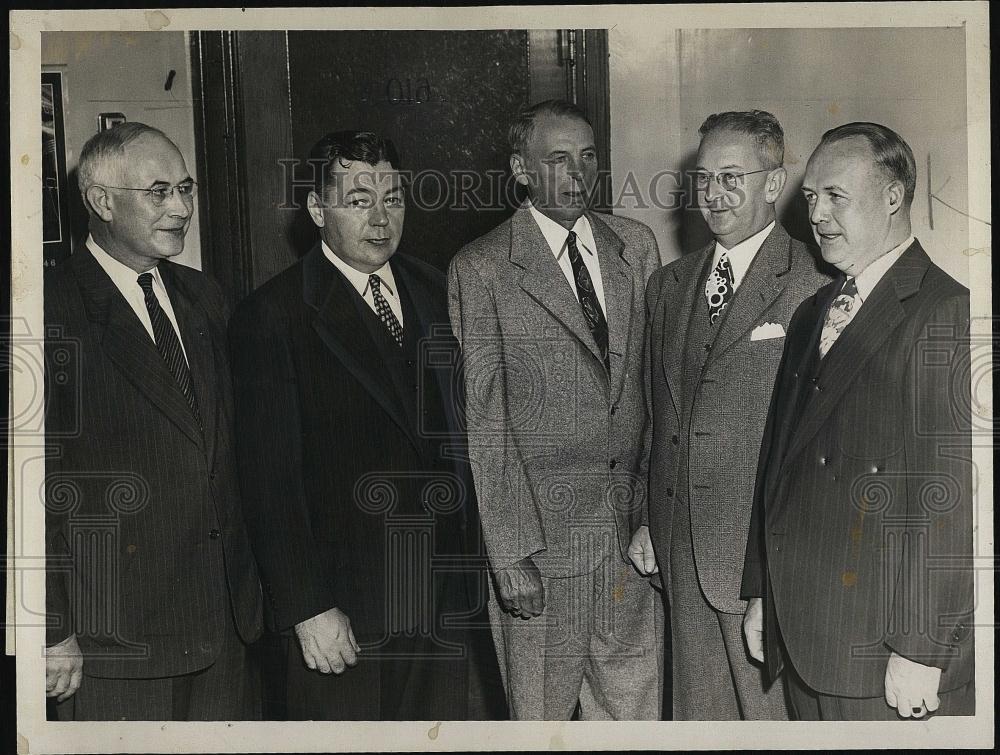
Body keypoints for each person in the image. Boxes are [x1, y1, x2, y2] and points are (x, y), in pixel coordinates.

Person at [229, 130, 506, 720]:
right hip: (343, 613)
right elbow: (267, 481)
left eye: (394, 199)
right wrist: (307, 608)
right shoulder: (272, 315)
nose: (381, 220)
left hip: (444, 600)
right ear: (315, 209)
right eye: (358, 201)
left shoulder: (438, 290)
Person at [741, 122, 975, 720]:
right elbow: (779, 466)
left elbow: (951, 500)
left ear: (894, 197)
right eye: (811, 197)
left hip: (884, 653)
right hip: (802, 635)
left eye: (835, 196)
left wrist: (922, 648)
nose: (817, 214)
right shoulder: (810, 313)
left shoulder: (947, 312)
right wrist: (764, 593)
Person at [448, 99, 663, 720]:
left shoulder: (636, 246)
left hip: (630, 544)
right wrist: (508, 554)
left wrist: (649, 515)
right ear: (521, 169)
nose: (577, 174)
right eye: (557, 159)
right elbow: (484, 425)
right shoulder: (482, 268)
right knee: (540, 720)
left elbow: (651, 395)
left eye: (588, 157)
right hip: (541, 549)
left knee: (634, 717)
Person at [44, 122, 264, 720]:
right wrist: (49, 627)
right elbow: (23, 483)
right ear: (101, 201)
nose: (182, 208)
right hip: (111, 642)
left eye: (186, 189)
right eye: (159, 191)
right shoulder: (45, 307)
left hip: (224, 629)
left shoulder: (207, 298)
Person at [639, 110, 832, 719]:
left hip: (758, 563)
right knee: (699, 721)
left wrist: (779, 570)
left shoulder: (814, 281)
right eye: (704, 178)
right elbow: (656, 413)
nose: (713, 194)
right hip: (678, 549)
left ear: (774, 184)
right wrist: (645, 517)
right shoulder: (669, 286)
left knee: (769, 722)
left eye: (732, 177)